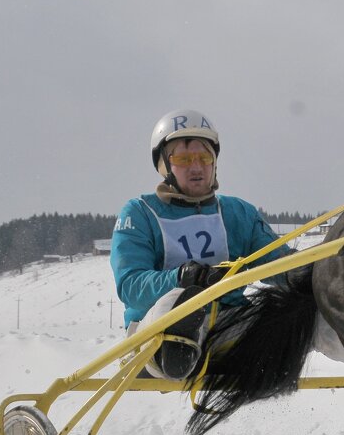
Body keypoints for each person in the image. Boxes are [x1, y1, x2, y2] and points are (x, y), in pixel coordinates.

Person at [111, 109, 292, 380]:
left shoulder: (238, 213)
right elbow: (130, 287)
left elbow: (282, 268)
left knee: (299, 307)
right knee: (176, 303)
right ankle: (178, 352)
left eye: (204, 158)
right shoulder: (140, 213)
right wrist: (183, 278)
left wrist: (323, 268)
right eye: (183, 159)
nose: (196, 168)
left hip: (227, 329)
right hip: (154, 333)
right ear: (164, 165)